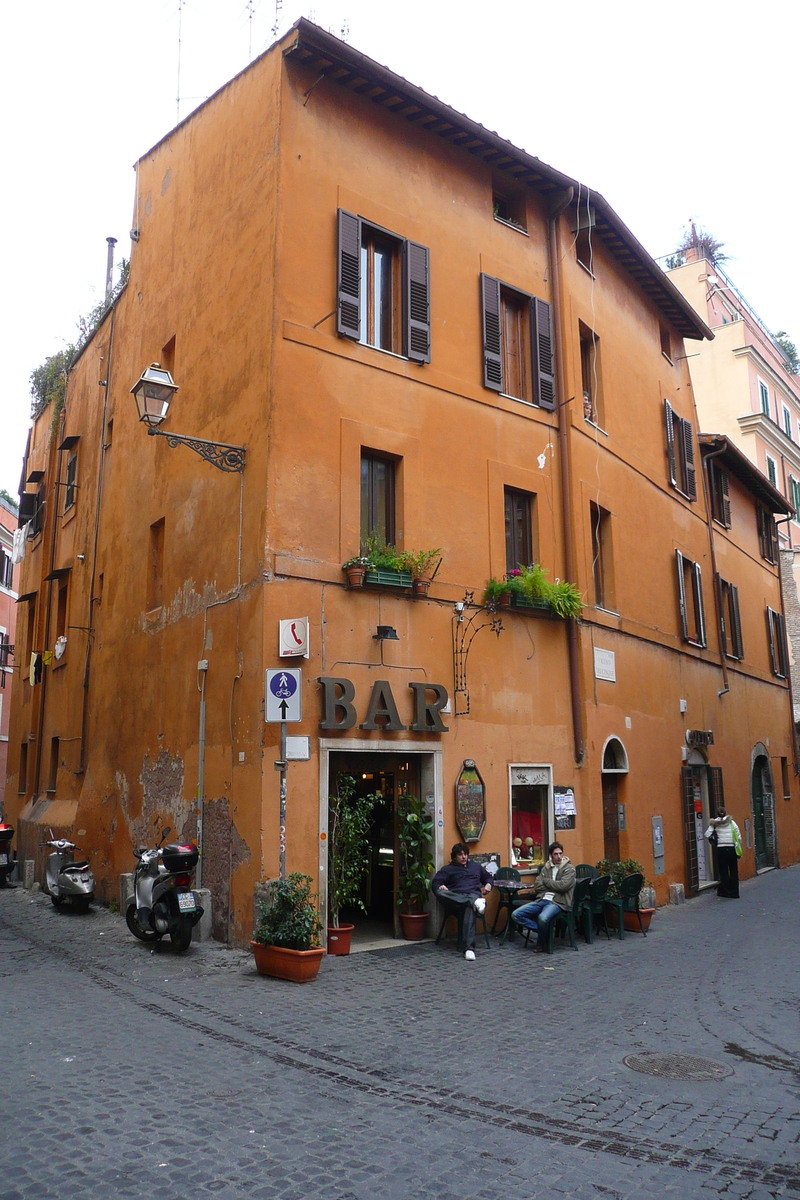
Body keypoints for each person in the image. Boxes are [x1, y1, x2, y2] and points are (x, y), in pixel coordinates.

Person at [431, 842, 493, 961]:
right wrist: (441, 887)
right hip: (456, 899)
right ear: (454, 857)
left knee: (469, 908)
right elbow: (435, 883)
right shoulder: (448, 869)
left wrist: (489, 885)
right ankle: (473, 902)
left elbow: (488, 877)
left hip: (473, 895)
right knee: (440, 892)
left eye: (465, 854)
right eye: (460, 855)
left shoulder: (476, 866)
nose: (464, 857)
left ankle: (469, 949)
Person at [511, 841, 575, 952]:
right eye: (556, 854)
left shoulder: (569, 869)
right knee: (516, 915)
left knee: (542, 918)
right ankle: (545, 932)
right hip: (542, 899)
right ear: (551, 855)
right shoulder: (546, 867)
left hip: (558, 902)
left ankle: (540, 944)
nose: (559, 856)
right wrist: (553, 885)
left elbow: (563, 886)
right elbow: (538, 886)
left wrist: (547, 882)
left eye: (560, 853)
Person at [705, 807, 742, 898]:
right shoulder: (732, 823)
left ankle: (725, 891)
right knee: (733, 870)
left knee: (723, 871)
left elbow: (707, 834)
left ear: (717, 814)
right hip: (731, 848)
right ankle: (735, 892)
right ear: (725, 813)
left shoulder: (714, 824)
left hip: (721, 849)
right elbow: (738, 836)